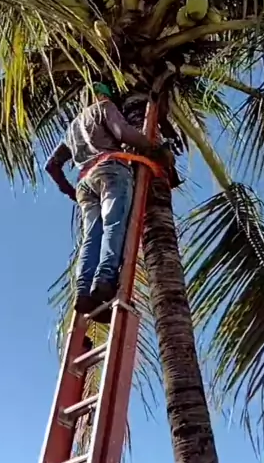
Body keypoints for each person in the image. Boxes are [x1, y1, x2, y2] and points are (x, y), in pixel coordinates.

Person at [45, 82, 172, 320]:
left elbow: (51, 166)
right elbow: (122, 132)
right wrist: (154, 149)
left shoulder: (72, 129)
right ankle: (105, 280)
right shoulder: (104, 107)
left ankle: (84, 291)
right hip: (110, 170)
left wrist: (70, 191)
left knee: (92, 236)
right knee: (114, 224)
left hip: (84, 182)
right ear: (102, 96)